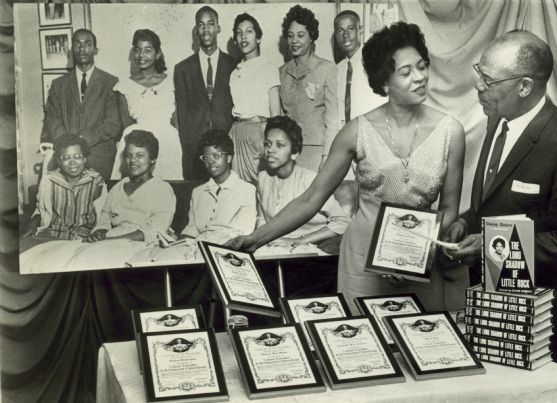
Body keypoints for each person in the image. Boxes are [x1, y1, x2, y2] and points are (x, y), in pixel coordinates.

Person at [227, 22, 465, 310]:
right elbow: (311, 198)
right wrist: (255, 239)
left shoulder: (451, 130)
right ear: (385, 81)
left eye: (422, 66)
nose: (420, 78)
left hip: (421, 258)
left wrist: (419, 250)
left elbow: (449, 208)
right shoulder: (356, 131)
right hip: (362, 261)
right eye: (406, 72)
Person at [443, 30, 557, 369]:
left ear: (525, 87)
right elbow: (498, 205)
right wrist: (464, 222)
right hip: (492, 309)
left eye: (488, 79)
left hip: (541, 323)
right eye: (478, 73)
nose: (478, 86)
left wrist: (487, 247)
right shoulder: (497, 122)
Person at [20, 130, 176, 273]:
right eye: (129, 155)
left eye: (140, 155)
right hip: (108, 240)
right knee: (49, 258)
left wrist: (109, 240)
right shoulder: (118, 188)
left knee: (83, 263)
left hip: (138, 244)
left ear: (153, 159)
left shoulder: (162, 189)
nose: (133, 161)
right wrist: (100, 232)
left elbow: (154, 231)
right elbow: (104, 218)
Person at [256, 116, 350, 247]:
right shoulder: (263, 178)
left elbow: (343, 222)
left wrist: (300, 240)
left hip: (310, 248)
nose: (270, 150)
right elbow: (262, 220)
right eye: (267, 143)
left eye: (279, 145)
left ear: (294, 153)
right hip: (274, 250)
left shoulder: (310, 180)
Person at [40, 28, 121, 180]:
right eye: (77, 43)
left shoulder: (111, 82)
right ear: (71, 50)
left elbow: (113, 123)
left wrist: (83, 140)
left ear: (95, 50)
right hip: (67, 160)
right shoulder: (58, 85)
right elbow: (53, 120)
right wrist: (70, 147)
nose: (82, 48)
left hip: (101, 159)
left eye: (87, 44)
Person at [174, 6, 237, 180]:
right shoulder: (182, 69)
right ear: (196, 30)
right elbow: (182, 112)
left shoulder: (234, 65)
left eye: (210, 24)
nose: (206, 29)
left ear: (218, 28)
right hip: (195, 150)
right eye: (201, 25)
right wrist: (188, 145)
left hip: (226, 147)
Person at [111, 29, 183, 180]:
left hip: (168, 143)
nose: (142, 55)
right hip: (137, 144)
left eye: (148, 50)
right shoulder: (124, 86)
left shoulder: (172, 82)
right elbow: (126, 124)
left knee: (169, 187)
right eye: (138, 50)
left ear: (157, 54)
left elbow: (177, 121)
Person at [279, 5, 338, 171]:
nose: (294, 41)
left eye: (300, 35)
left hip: (317, 152)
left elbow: (333, 121)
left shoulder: (327, 69)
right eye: (290, 36)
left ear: (311, 36)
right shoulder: (282, 72)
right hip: (289, 152)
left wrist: (327, 158)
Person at [22, 135, 105, 248]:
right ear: (59, 161)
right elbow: (40, 209)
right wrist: (32, 223)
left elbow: (104, 214)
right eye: (66, 158)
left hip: (82, 239)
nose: (72, 162)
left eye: (77, 156)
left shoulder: (96, 181)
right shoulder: (49, 180)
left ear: (84, 159)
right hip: (50, 235)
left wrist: (98, 232)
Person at [228, 13, 281, 184]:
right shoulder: (234, 73)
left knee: (263, 185)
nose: (243, 36)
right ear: (235, 39)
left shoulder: (269, 68)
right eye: (239, 32)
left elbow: (276, 113)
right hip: (236, 134)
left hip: (259, 133)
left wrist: (271, 141)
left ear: (258, 38)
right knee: (239, 188)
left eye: (249, 31)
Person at [180, 130, 256, 241]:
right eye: (206, 158)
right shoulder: (198, 192)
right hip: (197, 247)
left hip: (229, 248)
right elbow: (192, 228)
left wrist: (207, 239)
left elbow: (244, 231)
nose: (211, 162)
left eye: (216, 155)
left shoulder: (247, 190)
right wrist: (179, 241)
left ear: (229, 158)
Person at [334, 10, 385, 127]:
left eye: (351, 28)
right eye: (340, 31)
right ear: (336, 35)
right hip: (345, 136)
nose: (345, 35)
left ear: (360, 30)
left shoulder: (375, 60)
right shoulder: (336, 70)